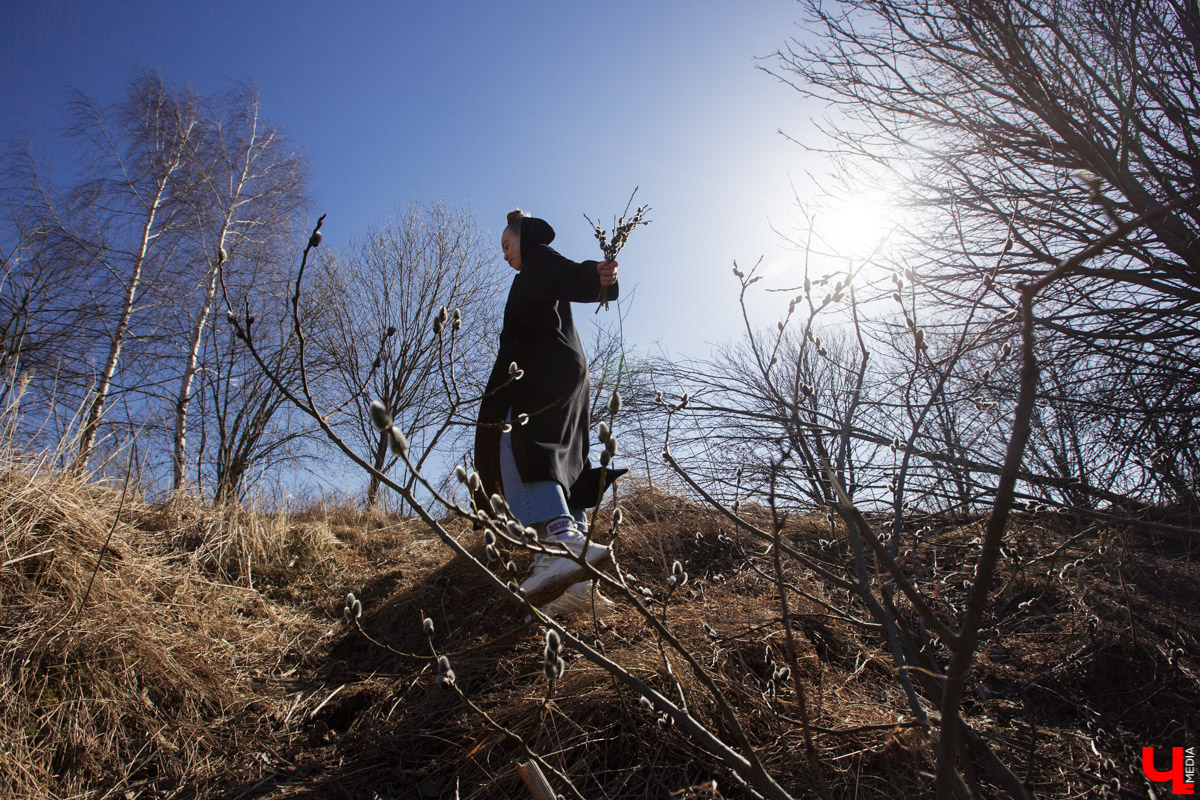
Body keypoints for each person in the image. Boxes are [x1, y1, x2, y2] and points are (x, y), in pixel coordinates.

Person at [474, 209, 626, 617]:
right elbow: (570, 276)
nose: (505, 255)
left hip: (539, 374)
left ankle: (558, 544)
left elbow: (565, 271)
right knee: (563, 463)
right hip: (565, 373)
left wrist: (596, 277)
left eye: (506, 245)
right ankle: (576, 587)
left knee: (516, 444)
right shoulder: (536, 271)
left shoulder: (536, 261)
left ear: (522, 237)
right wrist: (597, 280)